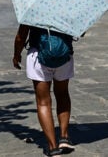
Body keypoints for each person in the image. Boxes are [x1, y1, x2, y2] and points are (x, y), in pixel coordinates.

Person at [13, 25, 75, 157]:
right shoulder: (67, 5)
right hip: (63, 53)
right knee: (63, 94)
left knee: (43, 102)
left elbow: (21, 36)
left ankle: (53, 148)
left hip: (38, 55)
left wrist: (16, 54)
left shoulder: (33, 7)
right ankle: (64, 137)